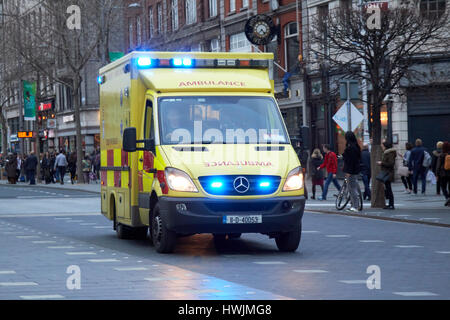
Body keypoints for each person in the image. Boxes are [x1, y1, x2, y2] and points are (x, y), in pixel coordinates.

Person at [342, 131, 362, 212]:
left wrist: (348, 172)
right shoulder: (356, 146)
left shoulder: (351, 148)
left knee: (352, 188)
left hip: (351, 171)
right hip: (355, 170)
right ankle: (355, 205)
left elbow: (351, 161)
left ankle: (355, 206)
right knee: (353, 187)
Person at [378, 140, 397, 210]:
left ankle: (391, 205)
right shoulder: (387, 153)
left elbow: (391, 164)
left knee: (389, 189)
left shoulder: (389, 154)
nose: (382, 147)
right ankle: (390, 204)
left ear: (386, 146)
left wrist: (382, 163)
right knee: (388, 188)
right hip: (387, 172)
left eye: (383, 146)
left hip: (388, 173)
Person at [436, 141, 450, 206]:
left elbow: (438, 165)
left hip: (443, 173)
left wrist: (437, 174)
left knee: (443, 186)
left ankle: (447, 198)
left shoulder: (441, 155)